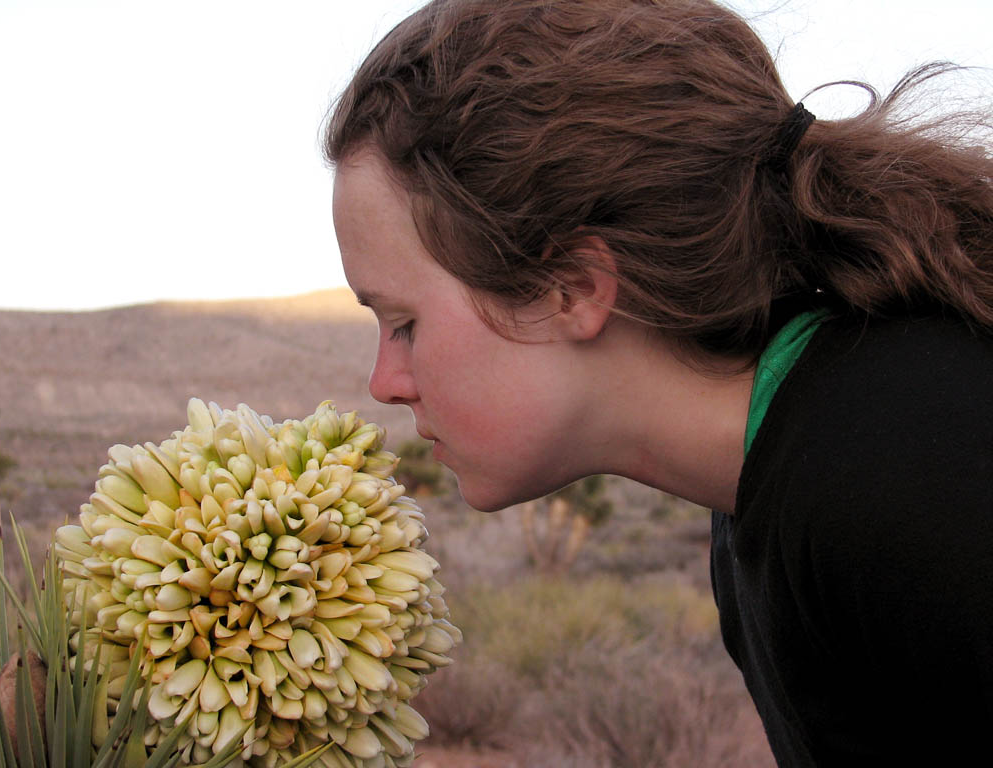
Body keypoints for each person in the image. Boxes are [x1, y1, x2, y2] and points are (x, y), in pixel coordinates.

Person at [325, 1, 993, 765]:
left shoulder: (918, 472)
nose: (385, 381)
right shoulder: (764, 492)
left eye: (404, 321)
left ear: (571, 287)